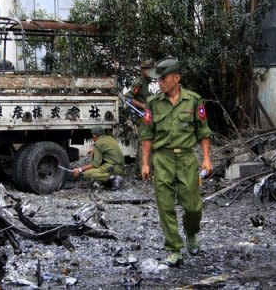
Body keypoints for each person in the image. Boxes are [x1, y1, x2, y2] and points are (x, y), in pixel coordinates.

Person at [140, 57, 212, 267]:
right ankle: (174, 249)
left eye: (163, 78)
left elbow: (204, 131)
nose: (159, 82)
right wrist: (145, 163)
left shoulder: (194, 100)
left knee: (192, 207)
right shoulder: (153, 103)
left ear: (176, 78)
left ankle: (191, 234)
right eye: (158, 79)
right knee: (165, 205)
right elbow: (147, 135)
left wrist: (206, 159)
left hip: (187, 159)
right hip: (162, 159)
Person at [72, 127, 125, 191]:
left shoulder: (98, 143)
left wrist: (79, 169)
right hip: (121, 168)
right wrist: (94, 150)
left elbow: (95, 164)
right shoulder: (110, 138)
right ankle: (110, 178)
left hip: (113, 168)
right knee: (94, 171)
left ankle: (114, 178)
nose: (92, 138)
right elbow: (107, 149)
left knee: (86, 174)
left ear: (94, 135)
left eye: (92, 135)